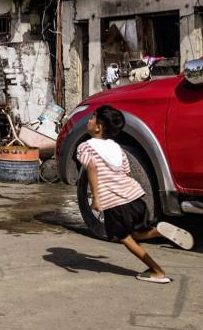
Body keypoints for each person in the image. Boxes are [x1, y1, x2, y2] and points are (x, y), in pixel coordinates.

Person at [77, 104, 194, 283]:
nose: (89, 120)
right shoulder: (117, 148)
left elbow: (91, 168)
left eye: (92, 118)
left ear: (99, 127)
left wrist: (96, 198)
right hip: (135, 196)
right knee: (137, 234)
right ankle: (158, 232)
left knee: (125, 238)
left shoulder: (86, 147)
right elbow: (127, 173)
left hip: (114, 203)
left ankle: (157, 270)